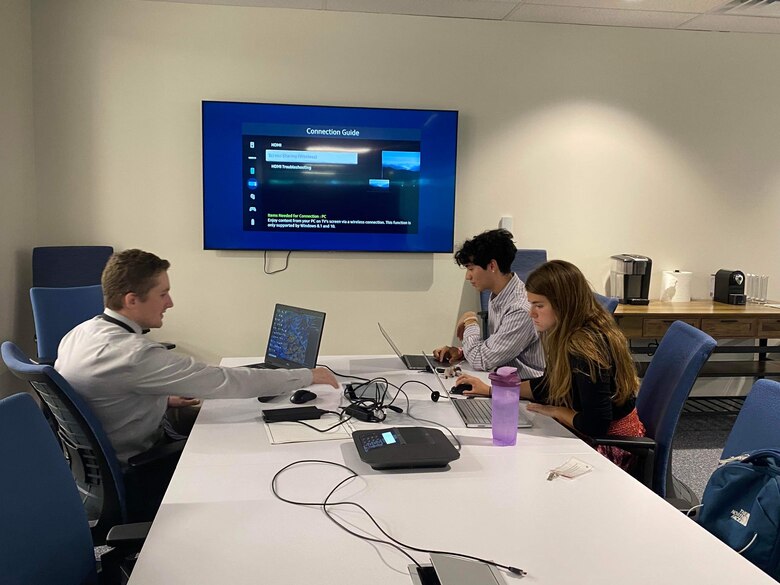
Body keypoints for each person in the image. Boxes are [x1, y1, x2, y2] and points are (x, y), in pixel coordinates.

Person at [56, 249, 338, 515]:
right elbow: (225, 381)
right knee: (247, 453)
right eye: (163, 294)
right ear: (131, 300)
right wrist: (307, 375)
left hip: (96, 476)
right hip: (138, 472)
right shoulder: (133, 354)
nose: (170, 303)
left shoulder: (81, 333)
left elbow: (102, 392)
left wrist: (162, 398)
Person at [455, 260, 645, 470]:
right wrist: (494, 391)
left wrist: (556, 412)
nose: (531, 313)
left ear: (563, 304)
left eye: (539, 305)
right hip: (592, 432)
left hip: (614, 449)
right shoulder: (570, 332)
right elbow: (549, 384)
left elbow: (595, 424)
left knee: (521, 464)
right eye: (531, 304)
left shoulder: (585, 347)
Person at [432, 229, 544, 378]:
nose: (468, 276)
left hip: (522, 392)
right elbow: (497, 348)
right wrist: (461, 352)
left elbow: (482, 360)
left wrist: (470, 321)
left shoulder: (520, 308)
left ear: (492, 266)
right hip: (504, 383)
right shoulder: (499, 295)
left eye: (471, 268)